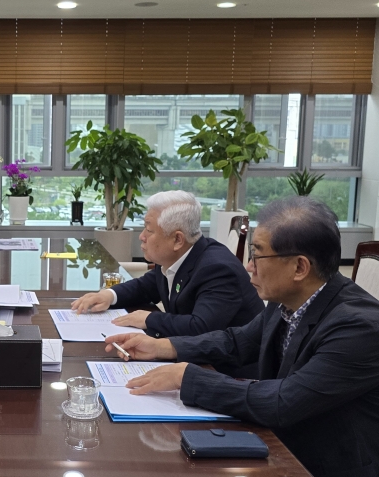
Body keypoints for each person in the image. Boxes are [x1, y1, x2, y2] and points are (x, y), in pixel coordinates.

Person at [106, 196, 379, 477]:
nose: (249, 266)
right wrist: (163, 347)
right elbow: (236, 342)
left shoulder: (358, 328)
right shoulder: (287, 299)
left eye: (258, 255)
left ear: (299, 268)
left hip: (321, 464)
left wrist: (187, 377)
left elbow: (283, 402)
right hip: (279, 446)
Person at [72, 190, 263, 338]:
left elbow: (200, 327)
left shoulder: (218, 270)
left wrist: (149, 318)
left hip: (228, 370)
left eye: (149, 230)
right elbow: (146, 286)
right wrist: (109, 295)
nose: (141, 237)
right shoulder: (177, 257)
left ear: (177, 240)